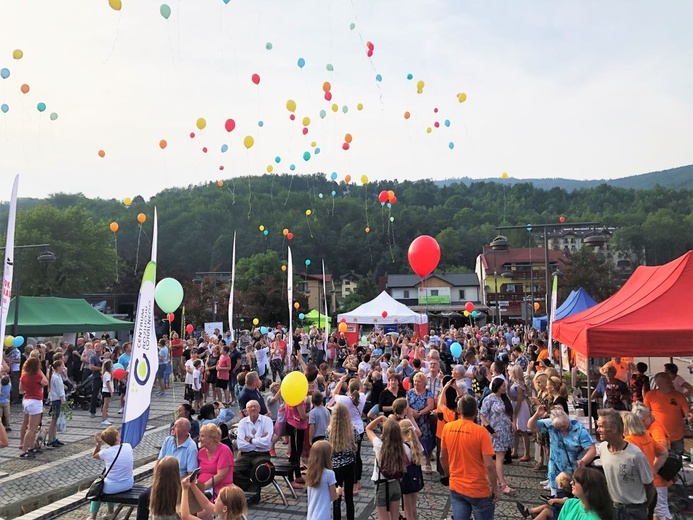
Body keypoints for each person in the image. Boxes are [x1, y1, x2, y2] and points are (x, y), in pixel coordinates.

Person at [440, 394, 499, 520]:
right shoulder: (481, 432)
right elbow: (489, 465)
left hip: (456, 486)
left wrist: (449, 475)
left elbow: (442, 457)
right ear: (476, 412)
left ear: (459, 410)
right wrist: (495, 487)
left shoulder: (447, 427)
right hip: (478, 489)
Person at [596, 408, 655, 520]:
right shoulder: (602, 448)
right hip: (614, 508)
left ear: (613, 429)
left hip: (634, 511)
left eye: (601, 426)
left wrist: (642, 508)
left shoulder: (635, 455)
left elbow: (650, 486)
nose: (598, 430)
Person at [136, 417, 199, 520]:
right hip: (161, 481)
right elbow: (158, 462)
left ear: (184, 430)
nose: (172, 428)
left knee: (167, 502)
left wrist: (176, 483)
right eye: (173, 425)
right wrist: (157, 480)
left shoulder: (191, 447)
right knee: (144, 497)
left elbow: (190, 475)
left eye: (176, 426)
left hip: (177, 485)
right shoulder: (168, 440)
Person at [528, 406, 596, 496]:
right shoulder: (551, 424)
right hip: (556, 470)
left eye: (564, 426)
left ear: (567, 419)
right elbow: (531, 427)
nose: (562, 429)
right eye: (559, 427)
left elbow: (591, 449)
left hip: (573, 471)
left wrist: (583, 460)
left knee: (572, 499)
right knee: (556, 498)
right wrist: (537, 415)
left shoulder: (579, 430)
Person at [622, 411, 670, 520]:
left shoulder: (628, 441)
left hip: (637, 489)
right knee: (655, 512)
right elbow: (664, 452)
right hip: (651, 486)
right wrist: (654, 469)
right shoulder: (647, 437)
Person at [365, 416, 410, 520]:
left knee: (383, 517)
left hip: (381, 484)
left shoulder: (379, 445)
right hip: (395, 483)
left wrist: (381, 418)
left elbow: (368, 429)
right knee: (394, 517)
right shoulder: (402, 446)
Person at [328, 376, 366, 494]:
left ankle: (345, 483)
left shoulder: (345, 400)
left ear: (348, 389)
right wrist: (359, 380)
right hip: (359, 428)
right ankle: (357, 482)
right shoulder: (362, 398)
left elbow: (334, 393)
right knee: (357, 456)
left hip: (348, 428)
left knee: (348, 456)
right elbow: (362, 390)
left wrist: (341, 380)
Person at [89, 426, 134, 520]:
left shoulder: (106, 452)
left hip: (112, 487)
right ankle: (110, 511)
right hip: (128, 483)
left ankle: (92, 517)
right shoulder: (128, 446)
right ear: (117, 438)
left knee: (97, 488)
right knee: (107, 482)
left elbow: (94, 455)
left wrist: (98, 444)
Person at [479, 378, 515, 494]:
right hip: (495, 432)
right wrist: (490, 429)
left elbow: (510, 412)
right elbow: (482, 415)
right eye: (503, 386)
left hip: (505, 432)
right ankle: (503, 484)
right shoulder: (489, 399)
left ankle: (498, 480)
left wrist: (513, 423)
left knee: (501, 456)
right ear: (497, 387)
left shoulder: (505, 398)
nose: (505, 388)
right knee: (500, 457)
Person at [644, 372, 693, 455]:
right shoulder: (650, 395)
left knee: (678, 460)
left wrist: (690, 417)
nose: (671, 383)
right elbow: (645, 414)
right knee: (660, 460)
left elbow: (687, 412)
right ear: (659, 384)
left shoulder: (679, 396)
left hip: (676, 436)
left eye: (670, 380)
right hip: (657, 436)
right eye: (667, 381)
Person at [233, 400, 273, 493]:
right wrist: (259, 442)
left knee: (261, 470)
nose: (253, 409)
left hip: (262, 454)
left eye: (255, 406)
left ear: (259, 408)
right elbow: (241, 445)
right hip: (245, 455)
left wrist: (251, 440)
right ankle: (250, 488)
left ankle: (253, 493)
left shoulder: (267, 421)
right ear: (246, 411)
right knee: (231, 471)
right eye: (250, 407)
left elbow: (267, 443)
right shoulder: (242, 423)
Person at [327, 403, 357, 520]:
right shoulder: (352, 430)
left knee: (336, 499)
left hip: (335, 467)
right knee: (349, 498)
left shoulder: (329, 431)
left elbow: (328, 449)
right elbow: (355, 446)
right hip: (349, 465)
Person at [18, 357, 48, 459]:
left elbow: (21, 390)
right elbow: (46, 382)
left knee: (26, 424)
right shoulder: (37, 375)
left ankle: (30, 447)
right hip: (35, 401)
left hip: (26, 400)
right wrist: (41, 371)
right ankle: (25, 449)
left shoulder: (24, 375)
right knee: (32, 428)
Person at [406, 372, 435, 474]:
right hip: (412, 419)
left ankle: (427, 462)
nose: (416, 383)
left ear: (424, 383)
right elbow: (406, 404)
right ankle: (413, 461)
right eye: (415, 381)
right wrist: (412, 412)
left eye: (418, 382)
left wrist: (420, 413)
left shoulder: (428, 393)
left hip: (424, 420)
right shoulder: (410, 392)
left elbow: (430, 406)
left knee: (426, 440)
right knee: (412, 440)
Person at [305, 440, 341, 520]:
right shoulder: (329, 474)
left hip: (311, 515)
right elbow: (333, 496)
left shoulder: (310, 472)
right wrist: (338, 491)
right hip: (323, 515)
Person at [181, 479, 248, 520]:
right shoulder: (238, 515)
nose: (215, 500)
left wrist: (185, 489)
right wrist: (193, 485)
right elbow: (206, 504)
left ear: (225, 509)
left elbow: (185, 516)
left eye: (218, 499)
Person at [197, 423, 234, 495]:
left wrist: (203, 487)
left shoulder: (224, 450)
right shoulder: (201, 452)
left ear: (211, 438)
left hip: (220, 489)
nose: (199, 439)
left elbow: (220, 476)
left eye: (202, 436)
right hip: (202, 489)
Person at [399, 419, 423, 520]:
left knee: (407, 510)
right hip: (415, 478)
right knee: (413, 508)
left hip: (406, 479)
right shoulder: (416, 444)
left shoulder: (403, 447)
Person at [509, 364, 531, 461]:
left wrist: (515, 412)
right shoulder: (517, 384)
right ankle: (515, 451)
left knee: (523, 430)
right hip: (517, 404)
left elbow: (519, 399)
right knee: (516, 430)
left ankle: (526, 453)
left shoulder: (518, 386)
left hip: (520, 406)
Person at [47, 359, 66, 448]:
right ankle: (51, 439)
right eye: (62, 366)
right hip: (57, 400)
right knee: (54, 421)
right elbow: (60, 391)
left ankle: (53, 438)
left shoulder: (57, 376)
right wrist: (63, 401)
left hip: (56, 400)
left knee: (55, 420)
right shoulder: (56, 377)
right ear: (58, 367)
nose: (63, 367)